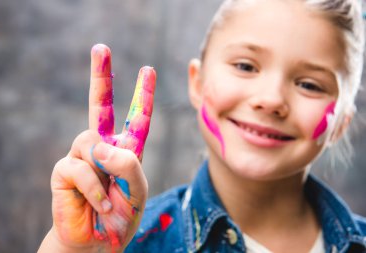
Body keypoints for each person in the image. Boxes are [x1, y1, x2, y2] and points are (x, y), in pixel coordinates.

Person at [38, 0, 366, 252]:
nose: (270, 99)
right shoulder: (128, 241)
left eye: (310, 85)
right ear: (196, 82)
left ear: (341, 122)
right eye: (245, 66)